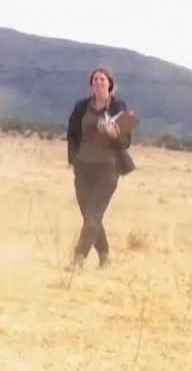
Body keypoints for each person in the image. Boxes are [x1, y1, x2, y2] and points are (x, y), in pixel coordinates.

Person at [65, 66, 135, 270]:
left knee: (94, 214)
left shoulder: (119, 107)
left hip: (108, 167)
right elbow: (72, 134)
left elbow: (126, 141)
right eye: (95, 79)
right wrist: (73, 159)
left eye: (102, 79)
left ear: (110, 83)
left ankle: (78, 259)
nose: (98, 82)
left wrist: (114, 134)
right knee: (89, 215)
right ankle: (105, 257)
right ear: (91, 84)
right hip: (83, 167)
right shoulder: (81, 107)